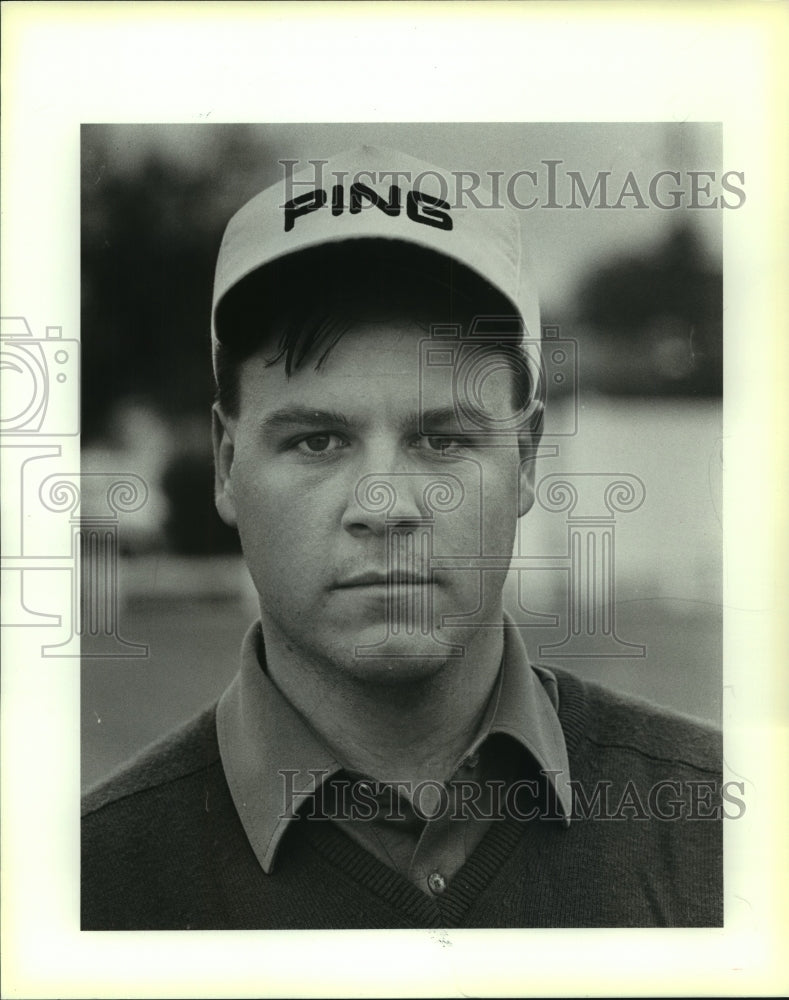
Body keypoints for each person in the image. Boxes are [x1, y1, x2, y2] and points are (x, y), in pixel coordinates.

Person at [81, 146, 723, 929]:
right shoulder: (80, 890)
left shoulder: (726, 838)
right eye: (317, 441)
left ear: (523, 460)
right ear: (226, 464)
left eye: (443, 440)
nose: (384, 506)